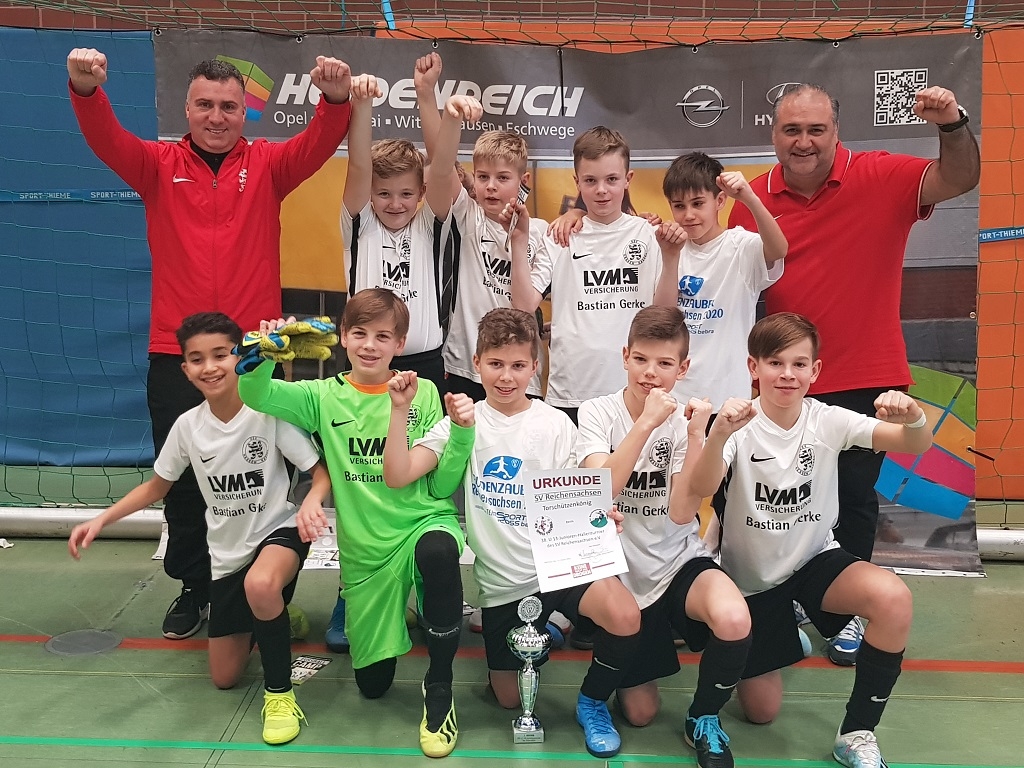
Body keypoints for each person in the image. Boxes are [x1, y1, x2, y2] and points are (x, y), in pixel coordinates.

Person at [66, 48, 353, 641]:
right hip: (178, 354)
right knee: (183, 482)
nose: (216, 117)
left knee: (267, 477)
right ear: (187, 109)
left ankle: (270, 589)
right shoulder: (156, 164)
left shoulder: (269, 164)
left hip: (254, 357)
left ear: (244, 113)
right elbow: (106, 139)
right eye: (205, 105)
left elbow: (319, 142)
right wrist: (85, 90)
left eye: (228, 106)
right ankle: (196, 586)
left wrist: (333, 99)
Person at [727, 83, 979, 664]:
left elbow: (960, 177)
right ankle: (786, 598)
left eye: (816, 129)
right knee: (775, 499)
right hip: (782, 382)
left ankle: (844, 614)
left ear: (836, 131)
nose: (804, 141)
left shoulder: (882, 174)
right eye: (792, 130)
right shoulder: (749, 200)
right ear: (774, 134)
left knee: (854, 499)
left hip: (867, 375)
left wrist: (952, 124)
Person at [383, 307, 643, 759]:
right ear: (477, 362)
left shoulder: (556, 424)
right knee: (508, 698)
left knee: (625, 615)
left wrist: (601, 516)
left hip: (559, 568)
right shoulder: (462, 422)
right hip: (503, 584)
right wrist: (399, 409)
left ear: (535, 367)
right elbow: (397, 474)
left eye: (519, 365)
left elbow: (584, 491)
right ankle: (537, 634)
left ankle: (592, 700)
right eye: (496, 364)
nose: (506, 376)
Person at [67, 312, 332, 746]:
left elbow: (319, 473)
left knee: (262, 584)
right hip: (227, 556)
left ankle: (280, 695)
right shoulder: (188, 427)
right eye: (197, 359)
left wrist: (311, 502)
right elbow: (156, 486)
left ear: (239, 358)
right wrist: (100, 519)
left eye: (220, 355)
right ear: (186, 370)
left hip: (278, 533)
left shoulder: (267, 414)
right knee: (224, 677)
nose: (210, 367)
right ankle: (277, 615)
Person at [688, 312, 932, 768]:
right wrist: (716, 434)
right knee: (762, 712)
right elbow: (701, 487)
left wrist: (914, 415)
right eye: (775, 363)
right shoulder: (738, 424)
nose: (787, 374)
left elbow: (915, 443)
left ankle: (856, 733)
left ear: (815, 371)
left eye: (799, 364)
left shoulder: (828, 420)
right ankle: (781, 638)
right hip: (752, 583)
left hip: (814, 563)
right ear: (753, 367)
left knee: (893, 598)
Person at [237, 288, 470, 758]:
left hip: (422, 521)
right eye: (360, 333)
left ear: (400, 343)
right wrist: (261, 355)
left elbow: (443, 485)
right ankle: (398, 615)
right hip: (366, 551)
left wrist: (462, 434)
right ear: (343, 336)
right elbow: (255, 394)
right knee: (373, 686)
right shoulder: (322, 396)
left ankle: (440, 688)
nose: (370, 345)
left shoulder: (422, 392)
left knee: (440, 553)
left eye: (383, 336)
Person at [577, 305, 752, 768]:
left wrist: (696, 435)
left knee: (734, 617)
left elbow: (680, 513)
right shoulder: (596, 411)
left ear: (683, 368)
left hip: (676, 561)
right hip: (617, 570)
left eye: (664, 363)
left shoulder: (684, 421)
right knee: (641, 714)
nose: (650, 373)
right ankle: (603, 684)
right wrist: (645, 424)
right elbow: (601, 489)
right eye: (641, 359)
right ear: (625, 356)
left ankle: (704, 717)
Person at [332, 66, 456, 656]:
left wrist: (446, 114)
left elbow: (442, 168)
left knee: (424, 480)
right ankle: (352, 588)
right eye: (386, 194)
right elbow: (358, 167)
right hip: (365, 369)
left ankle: (428, 584)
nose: (396, 203)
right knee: (360, 480)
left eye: (406, 193)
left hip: (424, 363)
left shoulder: (432, 221)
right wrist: (360, 107)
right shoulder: (357, 222)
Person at [511, 126, 672, 424]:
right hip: (571, 393)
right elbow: (523, 305)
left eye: (612, 179)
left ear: (628, 179)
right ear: (577, 182)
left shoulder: (649, 234)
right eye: (590, 180)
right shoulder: (559, 235)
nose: (601, 190)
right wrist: (518, 243)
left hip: (634, 394)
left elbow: (665, 313)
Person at [425, 90, 549, 402]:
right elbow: (441, 164)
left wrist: (520, 240)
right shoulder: (467, 215)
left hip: (519, 374)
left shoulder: (543, 233)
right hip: (465, 367)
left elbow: (527, 306)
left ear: (524, 180)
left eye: (502, 177)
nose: (491, 186)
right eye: (483, 177)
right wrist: (429, 96)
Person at [653, 152, 787, 411]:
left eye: (698, 203)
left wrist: (749, 198)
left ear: (720, 200)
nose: (689, 215)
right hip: (674, 396)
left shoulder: (741, 246)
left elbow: (779, 249)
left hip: (729, 396)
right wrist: (670, 259)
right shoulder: (666, 245)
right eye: (679, 206)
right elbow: (663, 319)